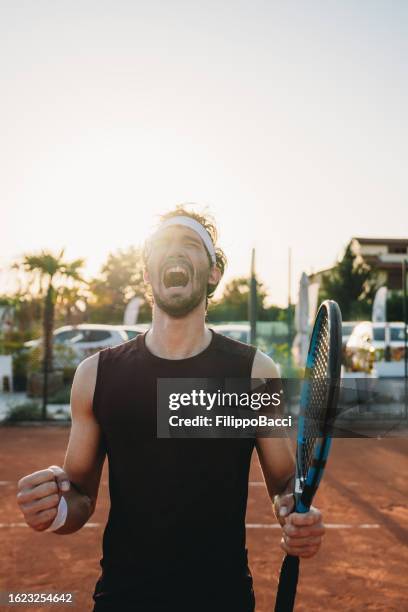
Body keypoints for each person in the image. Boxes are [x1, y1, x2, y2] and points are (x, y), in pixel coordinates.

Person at [17, 206, 325, 612]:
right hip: (123, 599)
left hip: (223, 599)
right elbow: (80, 497)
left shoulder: (253, 371)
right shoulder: (96, 375)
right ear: (147, 273)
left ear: (213, 272)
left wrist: (295, 512)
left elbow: (285, 481)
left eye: (190, 244)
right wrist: (54, 510)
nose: (175, 251)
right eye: (162, 244)